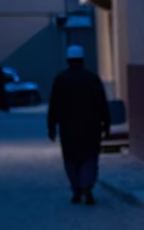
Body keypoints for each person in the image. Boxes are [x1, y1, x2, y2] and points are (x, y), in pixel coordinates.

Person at [47, 45, 110, 205]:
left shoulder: (60, 79)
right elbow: (102, 103)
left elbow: (54, 105)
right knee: (90, 158)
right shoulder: (93, 78)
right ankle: (87, 187)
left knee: (71, 160)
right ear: (82, 59)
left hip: (68, 128)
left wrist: (52, 127)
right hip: (91, 127)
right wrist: (106, 124)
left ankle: (76, 188)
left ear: (68, 60)